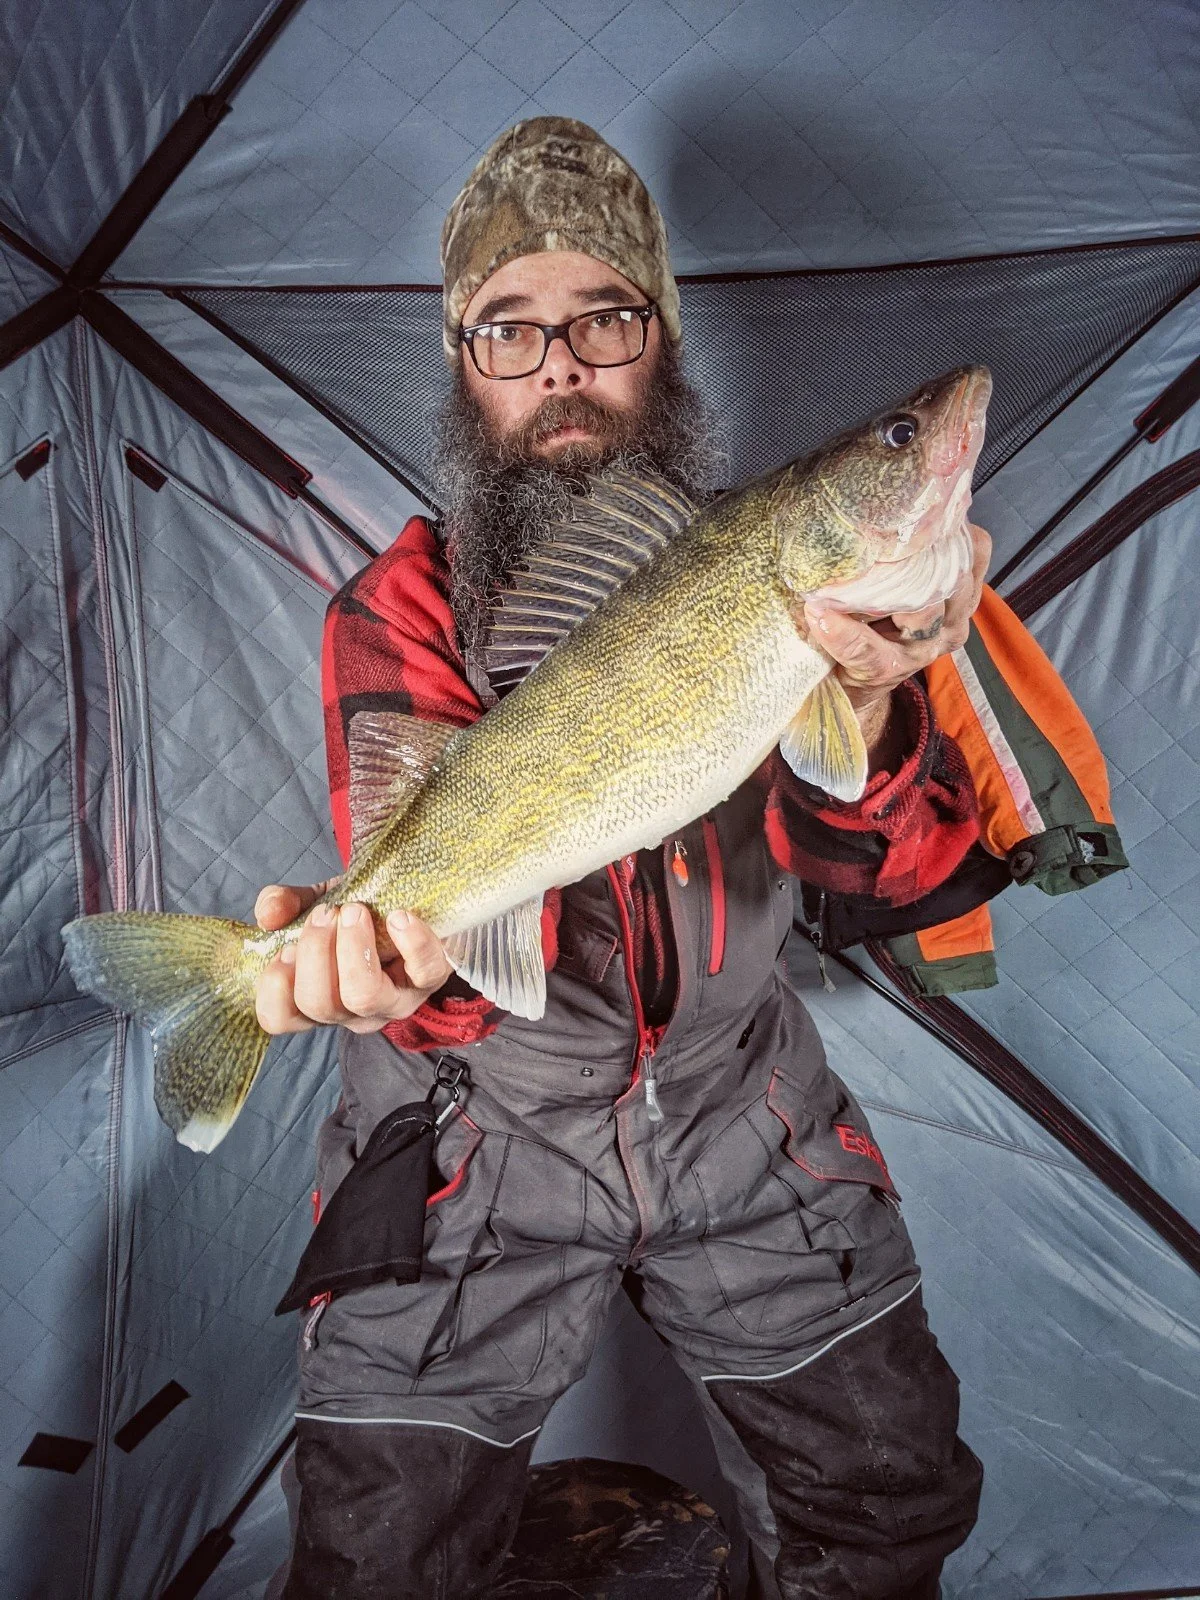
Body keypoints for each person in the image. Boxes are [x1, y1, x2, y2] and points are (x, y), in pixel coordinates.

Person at [257, 118, 988, 1600]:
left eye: (603, 318)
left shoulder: (817, 584)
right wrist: (379, 976)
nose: (561, 370)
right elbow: (452, 987)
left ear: (661, 341)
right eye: (508, 332)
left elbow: (907, 887)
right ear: (463, 366)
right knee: (378, 1562)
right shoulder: (395, 606)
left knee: (894, 1498)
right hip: (474, 1136)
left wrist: (869, 697)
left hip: (745, 1116)